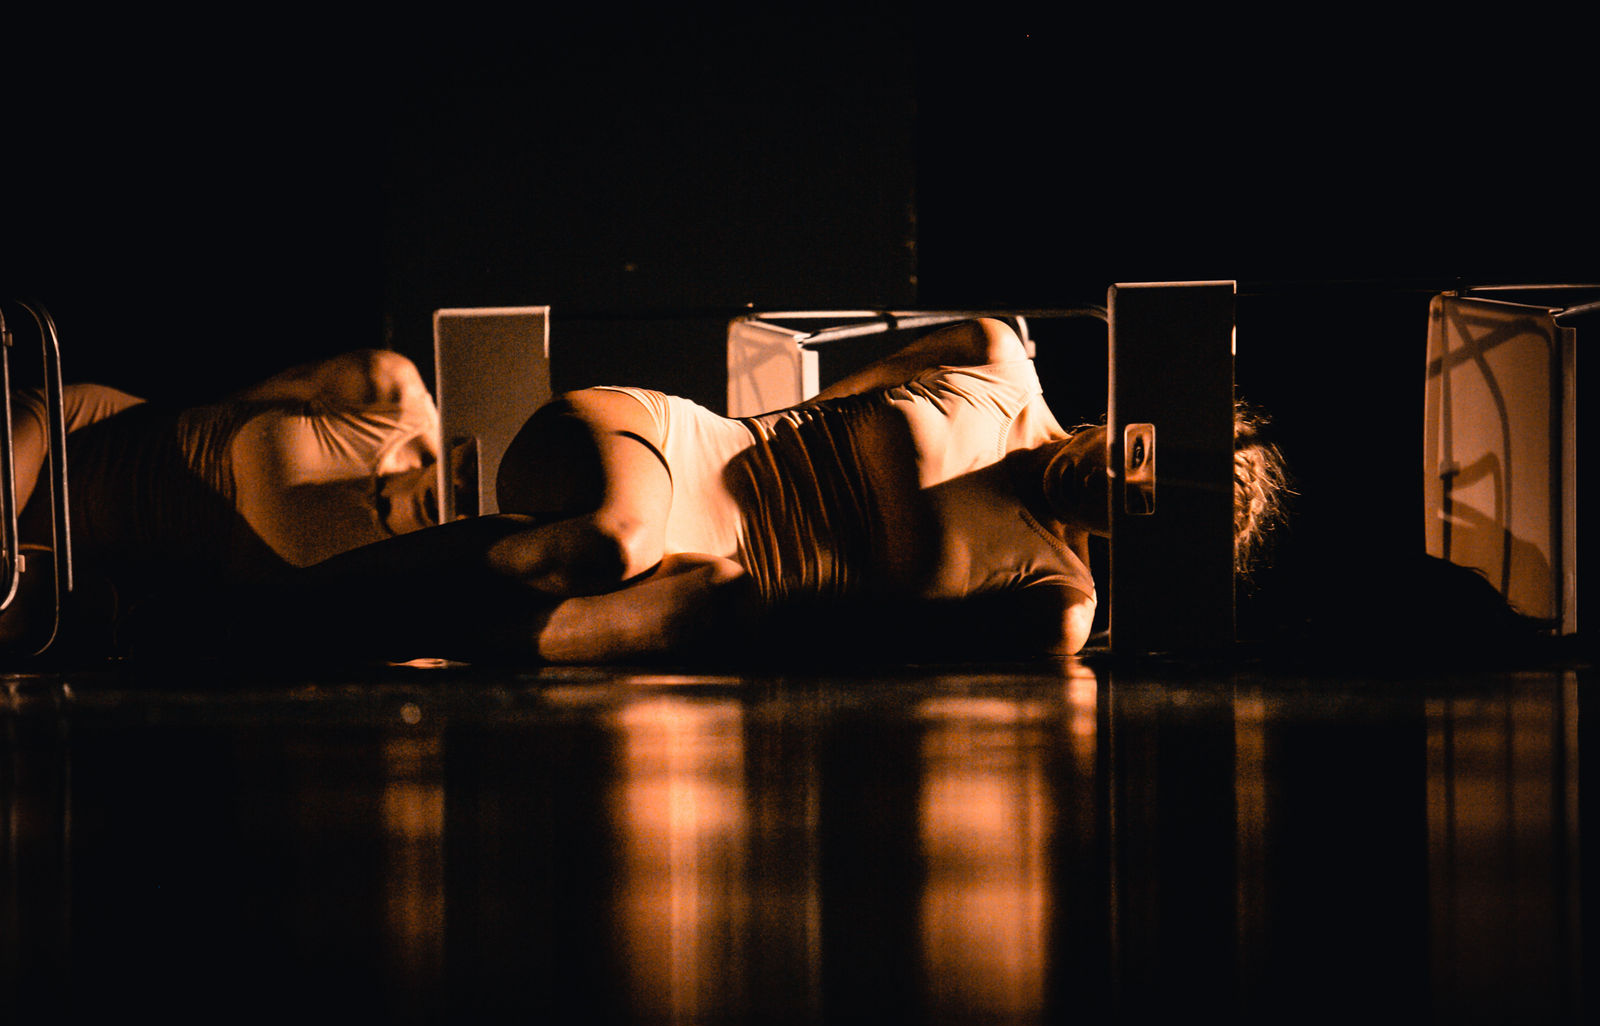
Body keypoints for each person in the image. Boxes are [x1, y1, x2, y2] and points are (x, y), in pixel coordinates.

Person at [226, 317, 1287, 666]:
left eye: (1141, 502)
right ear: (1133, 423)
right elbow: (807, 404)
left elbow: (879, 652)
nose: (1113, 477)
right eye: (1140, 453)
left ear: (1142, 538)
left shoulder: (1057, 601)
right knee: (609, 541)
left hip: (706, 592)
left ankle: (321, 627)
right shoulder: (993, 354)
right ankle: (313, 615)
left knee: (698, 592)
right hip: (656, 446)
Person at [1, 349, 444, 652]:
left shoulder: (401, 592)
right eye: (467, 470)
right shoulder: (388, 393)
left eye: (472, 501)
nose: (457, 492)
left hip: (81, 576)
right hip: (74, 440)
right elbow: (224, 404)